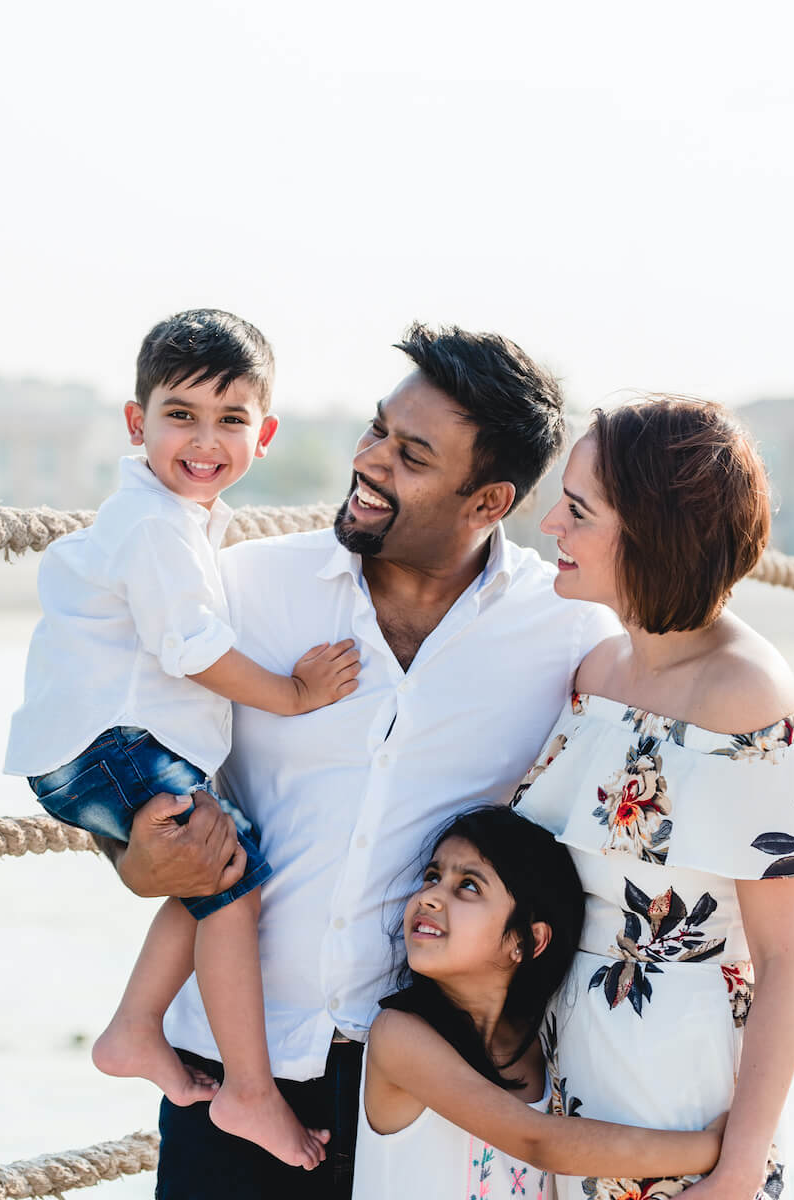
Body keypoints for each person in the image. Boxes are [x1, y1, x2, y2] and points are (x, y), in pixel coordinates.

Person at [112, 323, 622, 1200]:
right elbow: (125, 747)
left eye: (412, 454)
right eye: (378, 430)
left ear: (489, 501)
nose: (372, 461)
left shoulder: (567, 632)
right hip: (229, 1069)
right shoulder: (241, 589)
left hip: (430, 1079)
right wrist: (131, 857)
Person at [5, 309, 361, 1170]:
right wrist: (292, 693)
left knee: (207, 877)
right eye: (181, 416)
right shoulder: (161, 525)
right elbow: (191, 648)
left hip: (82, 753)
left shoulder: (171, 518)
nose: (206, 441)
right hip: (115, 745)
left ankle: (135, 1030)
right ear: (137, 422)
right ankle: (247, 1089)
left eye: (231, 420)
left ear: (264, 434)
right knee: (234, 882)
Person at [514, 396, 794, 1198]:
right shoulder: (598, 672)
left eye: (580, 509)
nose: (550, 522)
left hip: (680, 1098)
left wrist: (738, 1167)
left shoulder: (748, 696)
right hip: (564, 1087)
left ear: (653, 534)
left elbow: (786, 960)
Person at [358, 806, 727, 1200]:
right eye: (432, 876)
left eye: (468, 886)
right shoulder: (399, 1035)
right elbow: (540, 1143)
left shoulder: (541, 1051)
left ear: (526, 941)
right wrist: (717, 1150)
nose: (430, 896)